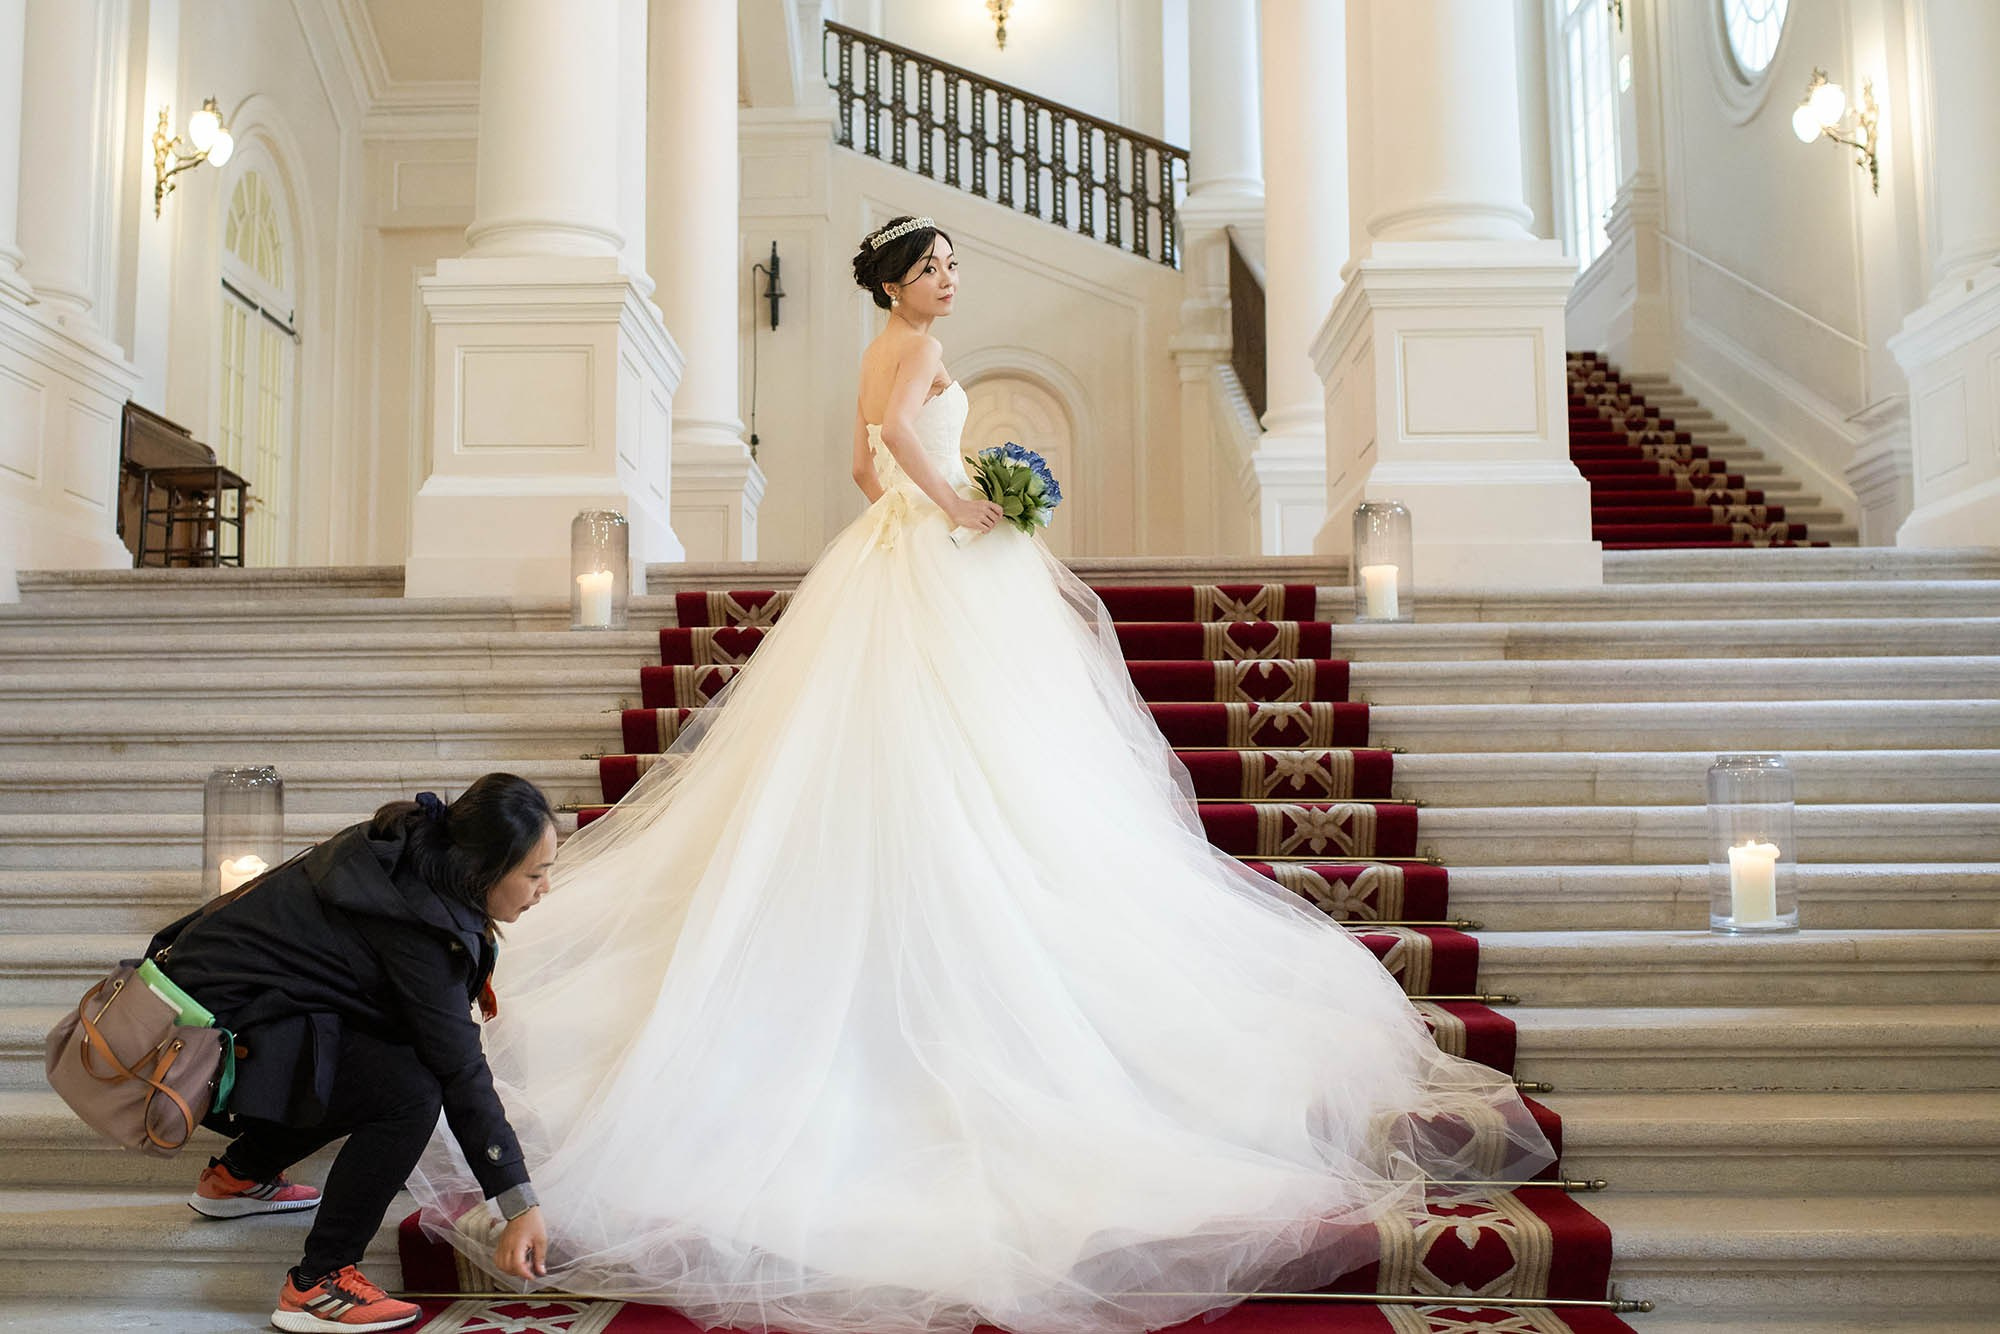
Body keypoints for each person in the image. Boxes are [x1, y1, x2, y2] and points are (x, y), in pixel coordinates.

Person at [405, 216, 1555, 1334]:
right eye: (930, 266)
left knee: (928, 748)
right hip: (935, 550)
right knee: (976, 751)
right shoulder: (918, 348)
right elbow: (899, 444)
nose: (949, 279)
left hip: (890, 554)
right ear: (896, 283)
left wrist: (916, 506)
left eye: (953, 264)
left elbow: (862, 457)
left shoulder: (877, 347)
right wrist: (958, 504)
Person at [149, 774, 557, 1333]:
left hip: (221, 1013)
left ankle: (240, 1174)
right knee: (412, 1088)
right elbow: (460, 1070)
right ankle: (319, 1283)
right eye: (535, 873)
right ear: (481, 869)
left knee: (387, 1057)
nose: (545, 888)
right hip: (197, 1051)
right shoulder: (415, 924)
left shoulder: (409, 854)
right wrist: (517, 1202)